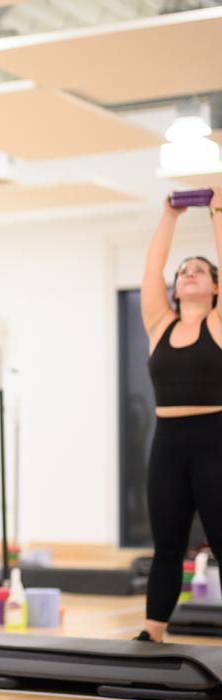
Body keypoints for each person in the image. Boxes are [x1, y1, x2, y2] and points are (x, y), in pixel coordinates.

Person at [138, 186, 222, 643]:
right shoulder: (160, 324)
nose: (189, 274)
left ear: (215, 285)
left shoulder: (217, 323)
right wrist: (169, 215)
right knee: (167, 547)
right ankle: (153, 633)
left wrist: (217, 212)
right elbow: (153, 267)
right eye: (184, 271)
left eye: (201, 270)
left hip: (215, 440)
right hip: (168, 444)